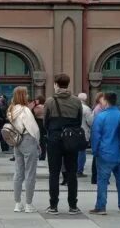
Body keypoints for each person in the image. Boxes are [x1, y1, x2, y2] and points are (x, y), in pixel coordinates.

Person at [43, 73, 84, 215]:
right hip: (71, 137)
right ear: (68, 84)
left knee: (54, 173)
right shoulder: (77, 101)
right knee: (72, 172)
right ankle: (73, 205)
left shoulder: (49, 101)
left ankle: (53, 205)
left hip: (54, 138)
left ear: (55, 84)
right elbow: (79, 121)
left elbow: (45, 122)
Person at [89, 93, 120, 215]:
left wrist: (95, 152)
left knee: (102, 180)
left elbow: (95, 136)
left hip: (105, 153)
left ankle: (101, 207)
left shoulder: (101, 117)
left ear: (105, 101)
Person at [6, 87, 40, 213]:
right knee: (30, 173)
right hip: (28, 139)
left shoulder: (11, 109)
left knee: (18, 172)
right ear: (22, 96)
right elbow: (33, 128)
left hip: (17, 142)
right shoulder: (25, 110)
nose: (28, 95)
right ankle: (29, 204)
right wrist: (38, 142)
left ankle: (17, 203)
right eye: (26, 93)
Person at [76, 93, 93, 178]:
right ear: (85, 99)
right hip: (83, 133)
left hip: (72, 133)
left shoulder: (73, 107)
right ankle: (79, 171)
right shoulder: (86, 109)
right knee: (82, 152)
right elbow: (90, 122)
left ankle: (73, 169)